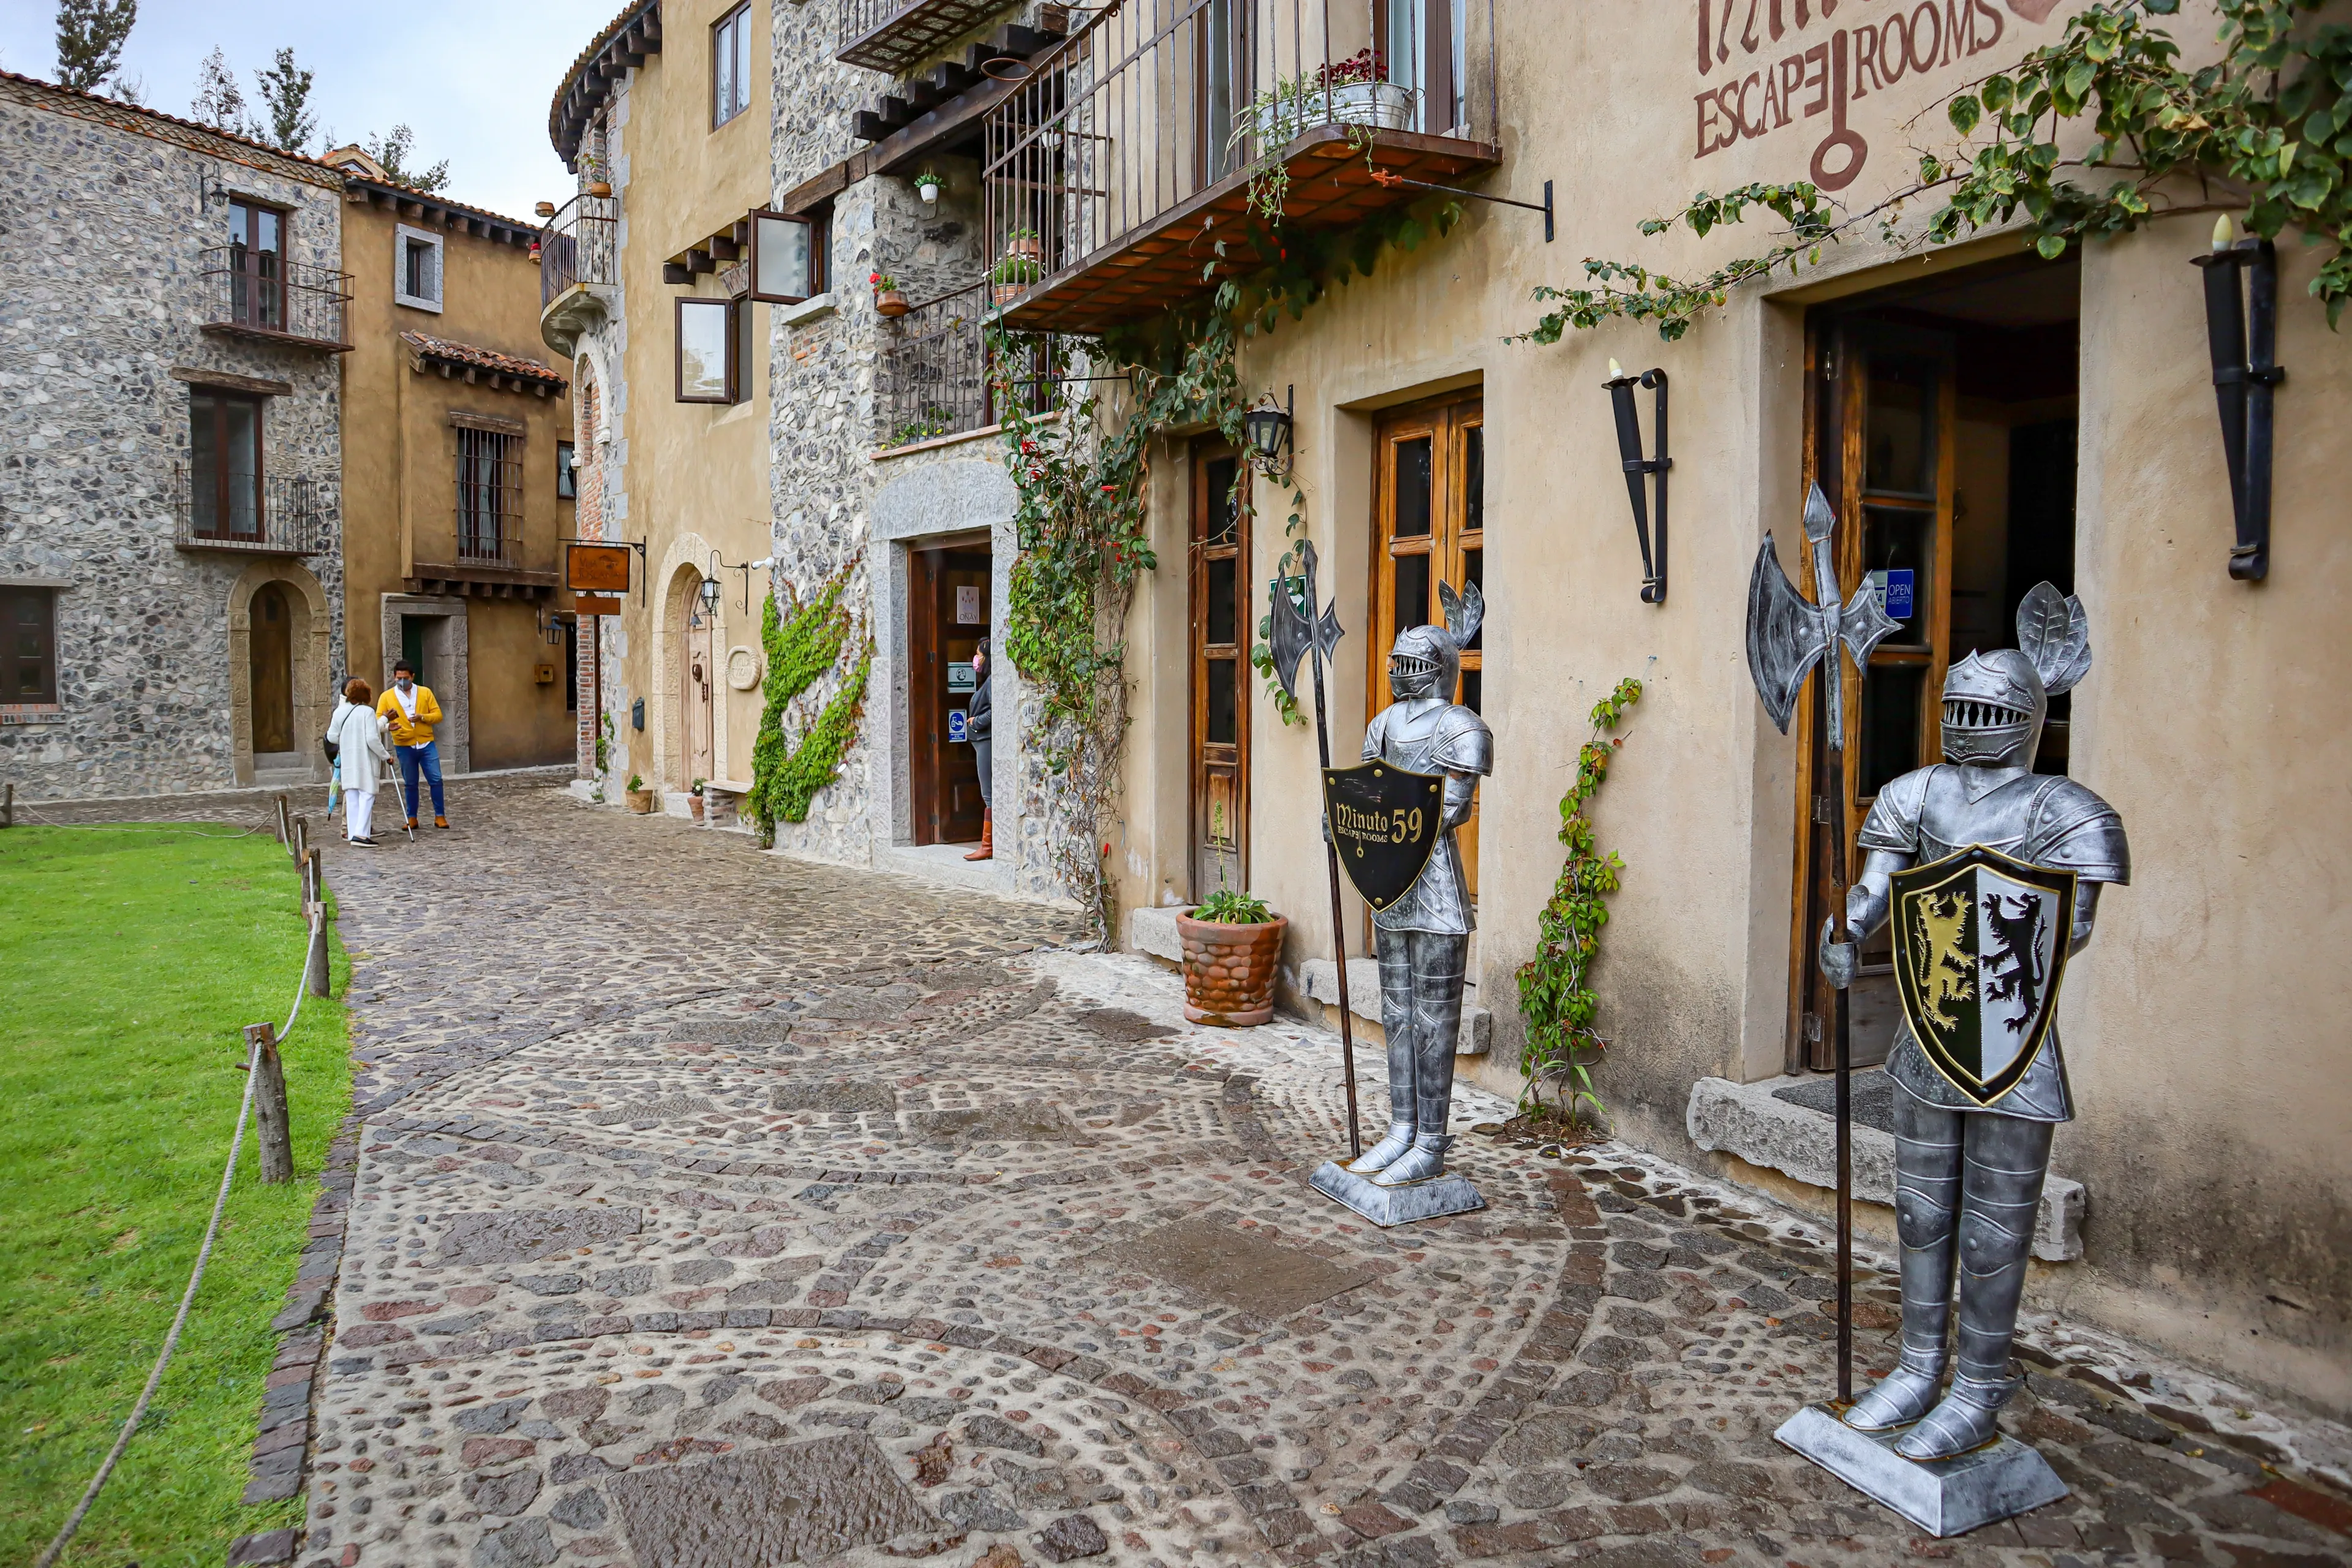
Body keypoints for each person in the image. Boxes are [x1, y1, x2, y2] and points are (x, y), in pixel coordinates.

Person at [377, 658, 448, 829]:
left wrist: (422, 717)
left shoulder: (425, 693)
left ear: (412, 677)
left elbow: (438, 715)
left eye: (406, 678)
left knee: (436, 779)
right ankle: (412, 817)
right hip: (403, 744)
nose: (403, 681)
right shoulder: (386, 697)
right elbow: (377, 720)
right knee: (410, 782)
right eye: (399, 678)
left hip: (426, 743)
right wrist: (388, 726)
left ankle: (440, 816)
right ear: (395, 677)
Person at [333, 678, 391, 846]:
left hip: (349, 761)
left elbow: (332, 736)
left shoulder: (340, 712)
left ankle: (352, 833)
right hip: (365, 761)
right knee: (367, 796)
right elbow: (372, 739)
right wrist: (386, 756)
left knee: (352, 797)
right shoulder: (367, 712)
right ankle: (361, 835)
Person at [963, 638, 992, 861]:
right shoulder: (987, 681)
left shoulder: (992, 682)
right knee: (988, 794)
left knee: (989, 795)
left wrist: (975, 722)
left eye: (979, 655)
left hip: (986, 740)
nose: (976, 659)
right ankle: (988, 845)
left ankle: (988, 846)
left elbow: (994, 711)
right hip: (981, 741)